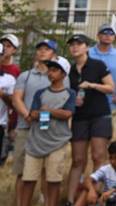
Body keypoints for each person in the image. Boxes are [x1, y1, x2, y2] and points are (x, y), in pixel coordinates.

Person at [12, 39, 69, 205]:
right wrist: (28, 116)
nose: (42, 51)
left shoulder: (61, 76)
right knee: (23, 172)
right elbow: (17, 99)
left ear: (54, 54)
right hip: (26, 127)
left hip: (50, 131)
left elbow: (65, 101)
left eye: (47, 49)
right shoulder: (25, 75)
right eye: (40, 49)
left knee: (48, 173)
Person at [66, 34, 116, 206]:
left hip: (99, 115)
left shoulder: (97, 65)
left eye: (79, 44)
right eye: (72, 44)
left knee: (98, 157)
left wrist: (92, 85)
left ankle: (96, 197)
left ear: (87, 47)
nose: (75, 47)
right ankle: (70, 200)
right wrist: (73, 100)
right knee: (78, 160)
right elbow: (65, 94)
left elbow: (111, 88)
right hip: (80, 117)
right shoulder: (69, 70)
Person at [20, 56, 76, 206]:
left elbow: (68, 114)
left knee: (54, 181)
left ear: (64, 74)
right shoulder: (40, 93)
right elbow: (33, 113)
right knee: (29, 179)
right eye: (50, 70)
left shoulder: (70, 94)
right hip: (35, 142)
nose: (51, 73)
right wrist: (53, 113)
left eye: (55, 70)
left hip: (57, 143)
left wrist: (48, 111)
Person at [89, 23, 116, 113]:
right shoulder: (87, 53)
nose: (108, 35)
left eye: (111, 32)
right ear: (98, 35)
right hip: (87, 102)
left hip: (110, 104)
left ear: (115, 36)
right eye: (105, 32)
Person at [74, 140, 116, 206]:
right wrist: (91, 190)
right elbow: (88, 179)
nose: (113, 161)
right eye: (111, 158)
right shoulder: (107, 168)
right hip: (106, 200)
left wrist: (111, 191)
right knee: (87, 190)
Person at [0, 34, 21, 164]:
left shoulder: (15, 73)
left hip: (5, 119)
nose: (6, 49)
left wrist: (13, 126)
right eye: (4, 45)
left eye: (9, 46)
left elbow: (16, 101)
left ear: (15, 50)